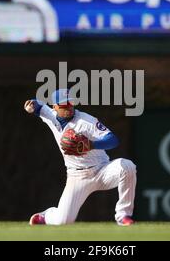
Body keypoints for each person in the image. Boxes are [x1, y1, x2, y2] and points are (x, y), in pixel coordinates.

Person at [24, 89, 137, 226]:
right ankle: (46, 216)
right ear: (55, 107)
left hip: (102, 170)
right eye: (64, 105)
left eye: (70, 103)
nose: (69, 107)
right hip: (77, 177)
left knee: (127, 166)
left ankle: (123, 215)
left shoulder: (86, 121)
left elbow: (113, 140)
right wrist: (32, 105)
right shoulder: (51, 116)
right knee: (64, 221)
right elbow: (39, 106)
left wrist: (91, 144)